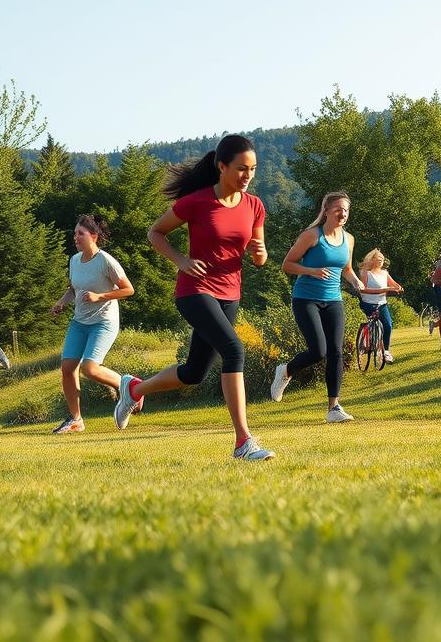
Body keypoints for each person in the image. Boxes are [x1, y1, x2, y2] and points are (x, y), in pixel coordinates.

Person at [111, 135, 274, 461]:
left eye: (253, 169)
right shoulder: (197, 202)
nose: (247, 176)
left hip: (230, 294)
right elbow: (155, 233)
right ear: (222, 167)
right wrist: (181, 261)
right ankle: (243, 442)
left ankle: (133, 389)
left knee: (195, 373)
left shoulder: (254, 206)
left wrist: (261, 252)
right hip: (195, 290)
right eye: (242, 169)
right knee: (234, 350)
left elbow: (259, 257)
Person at [272, 191, 368, 423]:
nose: (343, 214)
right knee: (318, 351)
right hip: (305, 299)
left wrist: (356, 282)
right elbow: (287, 265)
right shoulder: (311, 235)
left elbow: (346, 269)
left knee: (336, 351)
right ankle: (285, 371)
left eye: (346, 210)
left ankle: (333, 408)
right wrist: (310, 271)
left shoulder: (349, 239)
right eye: (338, 210)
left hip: (334, 299)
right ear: (326, 211)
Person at [49, 215, 135, 434]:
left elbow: (128, 290)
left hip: (103, 322)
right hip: (80, 322)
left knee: (89, 368)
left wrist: (100, 296)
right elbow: (73, 289)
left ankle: (130, 386)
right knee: (68, 368)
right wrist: (61, 303)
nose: (76, 237)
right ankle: (76, 420)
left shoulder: (105, 260)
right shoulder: (75, 260)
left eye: (81, 233)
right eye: (75, 233)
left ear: (94, 236)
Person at [357, 248, 403, 363]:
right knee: (372, 323)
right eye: (378, 259)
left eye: (382, 259)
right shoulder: (366, 273)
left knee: (388, 325)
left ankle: (386, 352)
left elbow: (394, 284)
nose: (381, 261)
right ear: (372, 260)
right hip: (368, 303)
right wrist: (383, 290)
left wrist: (399, 287)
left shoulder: (384, 273)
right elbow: (362, 290)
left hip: (382, 303)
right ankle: (367, 342)